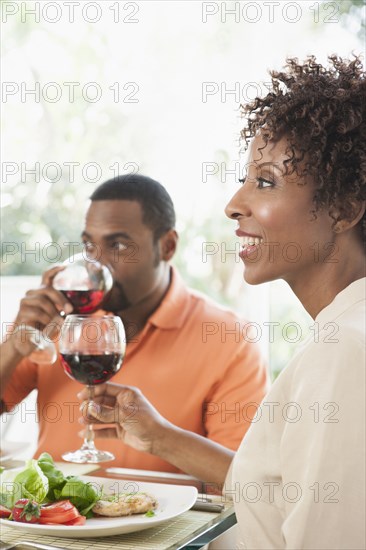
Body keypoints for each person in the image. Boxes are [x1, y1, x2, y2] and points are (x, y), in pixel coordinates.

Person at [78, 55, 365, 549]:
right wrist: (159, 437)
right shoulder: (343, 332)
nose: (234, 203)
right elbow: (283, 493)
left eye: (266, 181)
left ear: (342, 208)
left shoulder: (345, 352)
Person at [0, 174, 267, 471]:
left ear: (167, 246)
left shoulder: (229, 339)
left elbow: (244, 479)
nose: (96, 265)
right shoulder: (58, 319)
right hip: (50, 515)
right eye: (90, 247)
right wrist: (15, 345)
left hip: (164, 517)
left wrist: (162, 439)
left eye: (118, 246)